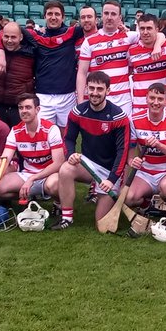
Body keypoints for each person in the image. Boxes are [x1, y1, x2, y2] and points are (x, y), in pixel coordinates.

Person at [52, 71, 130, 229]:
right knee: (66, 169)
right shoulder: (78, 112)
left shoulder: (119, 117)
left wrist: (112, 179)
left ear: (108, 91)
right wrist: (71, 154)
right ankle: (66, 218)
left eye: (100, 89)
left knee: (101, 225)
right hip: (88, 166)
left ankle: (101, 191)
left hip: (109, 171)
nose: (95, 93)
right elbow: (68, 139)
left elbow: (123, 151)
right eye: (91, 88)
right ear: (86, 88)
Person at [5, 0, 84, 131]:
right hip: (43, 95)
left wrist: (122, 29)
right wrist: (1, 52)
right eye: (50, 14)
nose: (53, 17)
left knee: (67, 135)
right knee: (44, 135)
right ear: (44, 16)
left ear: (63, 17)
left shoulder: (72, 33)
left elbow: (94, 26)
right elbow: (4, 34)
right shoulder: (35, 35)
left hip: (67, 95)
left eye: (57, 14)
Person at [127, 83, 166, 212]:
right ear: (146, 98)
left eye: (160, 99)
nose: (155, 102)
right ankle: (147, 205)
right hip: (145, 173)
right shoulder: (134, 119)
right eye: (152, 98)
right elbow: (130, 156)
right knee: (129, 197)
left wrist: (160, 145)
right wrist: (133, 161)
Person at [0, 94, 64, 204]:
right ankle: (30, 195)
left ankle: (59, 204)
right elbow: (4, 160)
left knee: (54, 186)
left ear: (37, 109)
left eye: (28, 107)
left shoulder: (51, 129)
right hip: (27, 173)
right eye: (20, 107)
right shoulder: (15, 131)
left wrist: (32, 179)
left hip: (49, 174)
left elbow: (58, 163)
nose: (23, 111)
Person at [77, 0, 134, 107]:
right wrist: (80, 102)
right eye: (106, 13)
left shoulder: (129, 37)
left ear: (120, 18)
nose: (109, 17)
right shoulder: (89, 41)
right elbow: (82, 73)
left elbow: (155, 35)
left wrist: (159, 45)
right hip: (98, 101)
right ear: (101, 16)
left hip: (123, 102)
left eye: (113, 14)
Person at [0, 20, 35, 126]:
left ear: (21, 37)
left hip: (20, 108)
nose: (9, 40)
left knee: (21, 141)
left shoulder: (31, 54)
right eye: (6, 36)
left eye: (13, 37)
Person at [127, 13, 166, 116]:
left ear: (157, 30)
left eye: (149, 28)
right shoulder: (131, 51)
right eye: (142, 28)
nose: (145, 32)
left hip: (163, 109)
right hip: (139, 109)